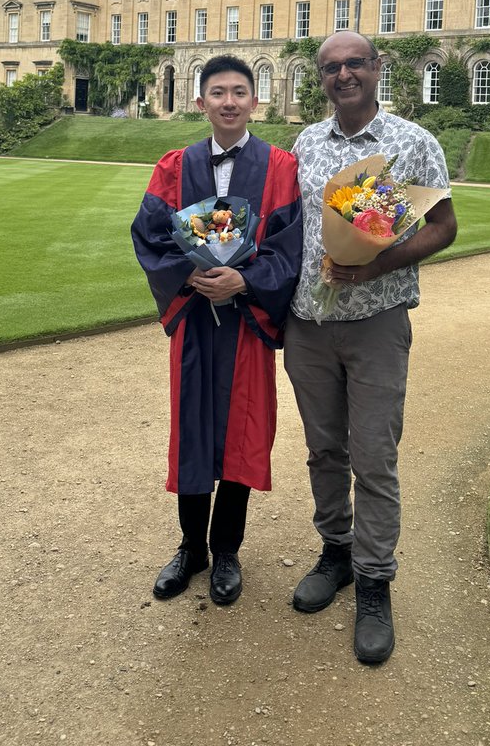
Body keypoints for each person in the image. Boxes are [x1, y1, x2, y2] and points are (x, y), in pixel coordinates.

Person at [284, 31, 457, 664]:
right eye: (331, 68)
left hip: (377, 321)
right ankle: (336, 552)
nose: (344, 75)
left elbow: (443, 226)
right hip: (307, 324)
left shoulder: (412, 143)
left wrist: (377, 264)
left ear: (377, 69)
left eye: (355, 63)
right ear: (322, 79)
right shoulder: (305, 142)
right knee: (323, 448)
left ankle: (375, 579)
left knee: (374, 456)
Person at [131, 55, 302, 606]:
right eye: (218, 92)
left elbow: (287, 246)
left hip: (246, 324)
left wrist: (244, 283)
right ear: (200, 102)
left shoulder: (280, 167)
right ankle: (191, 548)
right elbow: (151, 235)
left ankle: (226, 550)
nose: (229, 102)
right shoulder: (173, 167)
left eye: (239, 92)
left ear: (257, 100)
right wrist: (196, 275)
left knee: (242, 430)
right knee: (194, 428)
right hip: (197, 321)